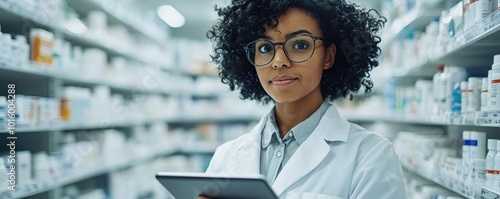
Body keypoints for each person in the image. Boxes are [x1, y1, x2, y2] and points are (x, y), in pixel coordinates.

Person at [201, 0, 407, 198]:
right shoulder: (226, 156)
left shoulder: (371, 156)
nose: (279, 61)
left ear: (328, 56)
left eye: (299, 45)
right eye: (265, 48)